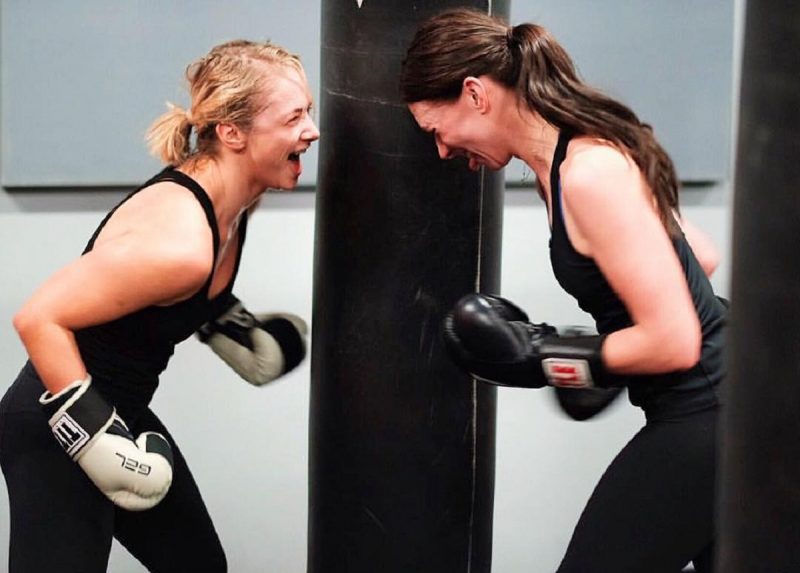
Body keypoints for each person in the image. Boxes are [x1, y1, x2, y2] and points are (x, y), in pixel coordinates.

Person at [400, 9, 726, 573]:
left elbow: (676, 341)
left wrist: (549, 356)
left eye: (436, 129)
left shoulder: (587, 173)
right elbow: (699, 256)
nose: (443, 151)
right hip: (723, 405)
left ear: (475, 94)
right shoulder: (569, 161)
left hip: (709, 412)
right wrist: (610, 351)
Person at [0, 39, 319, 572]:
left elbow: (162, 301)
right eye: (293, 117)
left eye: (309, 111)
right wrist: (94, 437)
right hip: (54, 428)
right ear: (232, 133)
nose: (312, 130)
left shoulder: (235, 203)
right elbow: (38, 318)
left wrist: (232, 327)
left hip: (123, 407)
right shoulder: (182, 242)